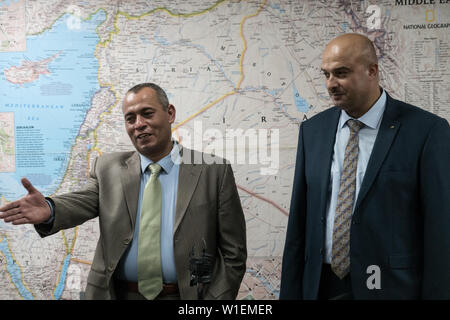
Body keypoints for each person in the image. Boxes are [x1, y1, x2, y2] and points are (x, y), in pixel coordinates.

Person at [0, 83, 247, 300]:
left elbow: (233, 254)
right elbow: (83, 201)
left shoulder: (214, 171)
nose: (139, 124)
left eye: (147, 113)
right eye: (130, 118)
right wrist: (51, 209)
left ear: (169, 113)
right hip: (117, 294)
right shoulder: (108, 168)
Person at [280, 33, 450, 299]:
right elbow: (298, 229)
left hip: (391, 288)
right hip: (320, 287)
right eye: (326, 74)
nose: (331, 84)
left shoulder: (426, 131)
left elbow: (440, 233)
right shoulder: (312, 131)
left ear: (372, 71)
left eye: (341, 73)